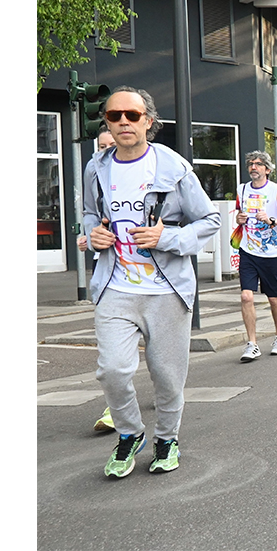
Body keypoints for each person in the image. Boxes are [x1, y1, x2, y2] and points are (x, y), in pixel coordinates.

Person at [83, 86, 220, 477]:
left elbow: (209, 220)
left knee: (167, 375)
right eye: (114, 116)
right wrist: (94, 234)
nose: (123, 122)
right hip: (116, 286)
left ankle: (166, 438)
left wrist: (168, 238)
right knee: (112, 369)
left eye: (131, 115)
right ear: (106, 121)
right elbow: (90, 214)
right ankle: (129, 433)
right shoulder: (97, 167)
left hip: (166, 290)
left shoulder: (172, 167)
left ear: (148, 121)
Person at [234, 150, 277, 363]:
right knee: (246, 296)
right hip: (248, 250)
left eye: (259, 164)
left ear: (267, 170)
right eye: (251, 163)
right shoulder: (241, 189)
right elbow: (238, 214)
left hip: (271, 253)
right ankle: (252, 344)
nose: (254, 167)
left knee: (273, 298)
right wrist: (240, 218)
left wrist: (271, 220)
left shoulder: (276, 191)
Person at [78, 126, 120, 435]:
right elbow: (90, 216)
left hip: (146, 278)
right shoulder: (94, 176)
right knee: (113, 355)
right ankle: (114, 409)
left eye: (110, 146)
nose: (104, 152)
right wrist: (91, 239)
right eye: (100, 147)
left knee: (151, 356)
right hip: (108, 275)